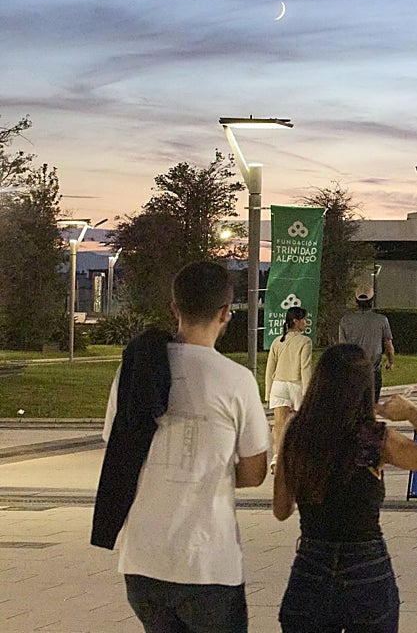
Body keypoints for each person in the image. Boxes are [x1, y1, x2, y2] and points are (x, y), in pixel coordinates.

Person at [100, 261, 270, 632]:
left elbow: (116, 444)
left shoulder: (135, 370)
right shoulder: (236, 380)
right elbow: (256, 471)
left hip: (143, 562)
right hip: (207, 564)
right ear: (226, 313)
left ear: (174, 308)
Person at [273, 343, 417, 632]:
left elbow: (281, 509)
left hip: (311, 563)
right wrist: (412, 413)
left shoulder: (296, 432)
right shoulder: (374, 439)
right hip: (366, 565)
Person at [264, 306, 314, 472]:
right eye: (304, 319)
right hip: (296, 384)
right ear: (296, 321)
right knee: (300, 423)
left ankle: (276, 458)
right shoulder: (305, 341)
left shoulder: (277, 341)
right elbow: (305, 368)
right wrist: (308, 393)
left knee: (279, 424)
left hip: (278, 385)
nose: (306, 323)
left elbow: (270, 369)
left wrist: (268, 392)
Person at [338, 288, 395, 402]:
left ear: (356, 300)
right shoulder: (382, 320)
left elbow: (342, 346)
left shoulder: (345, 320)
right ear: (372, 300)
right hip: (373, 369)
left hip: (353, 369)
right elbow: (388, 345)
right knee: (372, 404)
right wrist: (391, 361)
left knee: (354, 404)